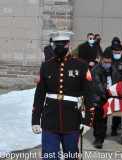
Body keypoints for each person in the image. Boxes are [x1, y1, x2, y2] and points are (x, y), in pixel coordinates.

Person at [32, 31, 95, 159]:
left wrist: (88, 119)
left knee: (71, 156)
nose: (60, 48)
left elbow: (89, 94)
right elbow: (39, 95)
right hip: (49, 119)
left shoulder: (80, 65)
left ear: (69, 45)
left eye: (63, 45)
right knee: (49, 157)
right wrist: (35, 119)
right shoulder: (46, 66)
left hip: (71, 120)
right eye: (57, 45)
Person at [91, 52, 118, 149]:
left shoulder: (113, 70)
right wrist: (108, 94)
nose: (107, 64)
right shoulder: (95, 70)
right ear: (102, 61)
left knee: (102, 119)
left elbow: (115, 82)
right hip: (98, 97)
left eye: (109, 62)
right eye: (105, 62)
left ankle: (100, 137)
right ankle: (98, 136)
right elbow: (99, 87)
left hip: (108, 96)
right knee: (98, 119)